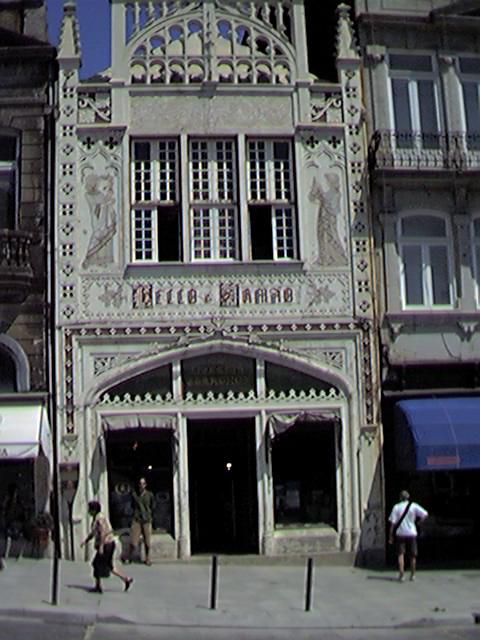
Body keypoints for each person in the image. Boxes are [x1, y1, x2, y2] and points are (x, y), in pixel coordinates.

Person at [80, 500, 133, 593]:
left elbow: (103, 532)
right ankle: (126, 579)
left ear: (94, 510)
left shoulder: (99, 518)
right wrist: (86, 541)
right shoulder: (97, 518)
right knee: (109, 566)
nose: (88, 511)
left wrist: (101, 546)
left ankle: (98, 586)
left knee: (96, 564)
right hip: (109, 544)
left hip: (106, 545)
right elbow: (94, 533)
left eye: (90, 509)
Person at [388, 490, 428, 582]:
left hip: (400, 533)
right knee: (413, 555)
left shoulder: (396, 507)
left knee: (400, 554)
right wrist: (419, 522)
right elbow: (425, 514)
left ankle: (401, 575)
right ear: (408, 497)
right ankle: (412, 575)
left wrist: (390, 536)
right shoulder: (413, 506)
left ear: (400, 498)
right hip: (412, 533)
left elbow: (392, 523)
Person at [128, 477, 154, 565]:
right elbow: (132, 505)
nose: (142, 485)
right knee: (134, 541)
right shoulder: (135, 495)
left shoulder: (149, 495)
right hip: (137, 519)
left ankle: (148, 558)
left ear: (146, 485)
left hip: (146, 519)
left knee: (147, 541)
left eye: (143, 483)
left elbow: (153, 505)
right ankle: (129, 556)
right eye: (140, 483)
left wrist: (149, 513)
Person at [0, 484, 25, 567]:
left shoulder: (19, 501)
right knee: (8, 536)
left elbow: (22, 513)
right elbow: (4, 511)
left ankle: (19, 555)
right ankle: (6, 554)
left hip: (15, 522)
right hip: (9, 522)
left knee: (21, 536)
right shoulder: (8, 500)